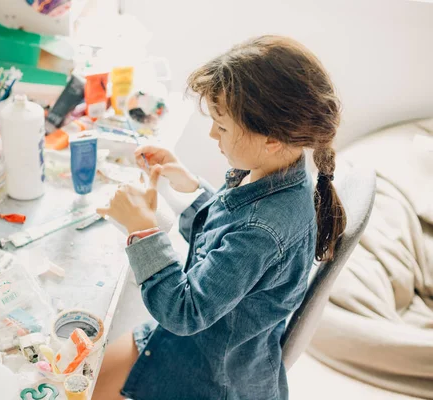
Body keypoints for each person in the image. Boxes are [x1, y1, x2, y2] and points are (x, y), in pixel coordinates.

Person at [94, 35, 347, 400]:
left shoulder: (263, 231)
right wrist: (188, 186)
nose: (213, 133)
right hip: (201, 339)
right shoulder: (276, 172)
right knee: (89, 376)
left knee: (83, 381)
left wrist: (142, 231)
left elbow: (183, 312)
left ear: (271, 139)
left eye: (222, 126)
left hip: (210, 374)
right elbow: (227, 236)